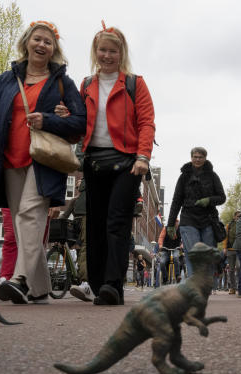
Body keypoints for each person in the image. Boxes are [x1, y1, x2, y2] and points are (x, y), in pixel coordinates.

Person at [0, 20, 86, 304]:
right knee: (24, 226)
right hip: (11, 160)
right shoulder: (7, 79)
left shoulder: (62, 83)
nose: (42, 45)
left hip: (44, 162)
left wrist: (50, 119)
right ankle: (39, 289)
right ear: (27, 42)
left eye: (48, 42)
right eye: (37, 39)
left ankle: (20, 281)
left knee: (28, 216)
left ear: (54, 49)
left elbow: (80, 123)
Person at [61, 24, 155, 306]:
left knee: (117, 222)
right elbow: (80, 127)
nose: (107, 55)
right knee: (96, 225)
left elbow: (146, 122)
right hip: (94, 162)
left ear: (121, 52)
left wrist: (143, 156)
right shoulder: (87, 84)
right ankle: (98, 284)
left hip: (126, 162)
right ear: (95, 51)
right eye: (102, 49)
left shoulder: (134, 83)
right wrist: (66, 116)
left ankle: (113, 286)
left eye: (113, 50)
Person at [166, 146, 226, 279]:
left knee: (207, 255)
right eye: (195, 156)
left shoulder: (212, 176)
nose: (197, 159)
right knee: (193, 253)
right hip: (188, 218)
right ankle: (193, 287)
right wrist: (170, 224)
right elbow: (176, 200)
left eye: (200, 157)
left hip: (208, 220)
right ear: (191, 158)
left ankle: (205, 286)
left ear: (205, 158)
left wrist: (209, 200)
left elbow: (222, 197)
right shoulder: (184, 177)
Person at [224, 211, 241, 294]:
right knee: (231, 270)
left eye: (240, 216)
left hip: (239, 249)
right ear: (234, 217)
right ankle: (232, 288)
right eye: (237, 216)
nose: (239, 217)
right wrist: (224, 248)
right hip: (230, 249)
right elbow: (225, 237)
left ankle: (239, 286)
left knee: (238, 267)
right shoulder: (229, 225)